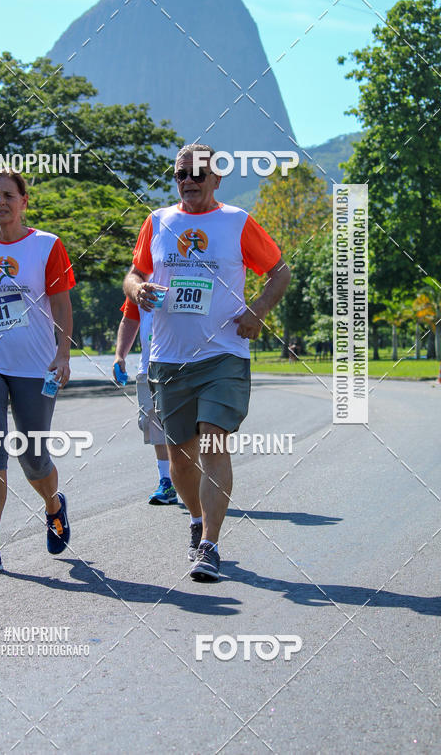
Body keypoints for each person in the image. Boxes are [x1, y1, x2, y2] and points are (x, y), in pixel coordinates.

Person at [123, 144, 291, 582]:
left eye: (199, 173)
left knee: (214, 441)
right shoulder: (158, 222)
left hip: (223, 354)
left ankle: (211, 544)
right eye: (182, 174)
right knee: (180, 458)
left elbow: (280, 271)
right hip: (168, 359)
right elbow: (134, 273)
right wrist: (136, 289)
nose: (189, 181)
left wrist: (257, 311)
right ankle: (197, 520)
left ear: (217, 178)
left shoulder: (236, 222)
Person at [0, 170, 75, 575]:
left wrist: (62, 354)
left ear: (24, 202)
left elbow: (60, 304)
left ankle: (53, 505)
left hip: (34, 364)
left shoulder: (47, 246)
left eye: (7, 195)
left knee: (34, 457)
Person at [113, 297, 178, 505]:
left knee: (187, 425)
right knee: (154, 424)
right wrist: (120, 355)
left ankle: (191, 476)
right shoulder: (139, 283)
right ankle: (166, 482)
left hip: (185, 363)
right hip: (148, 366)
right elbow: (129, 320)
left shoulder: (187, 270)